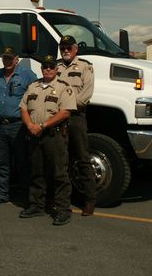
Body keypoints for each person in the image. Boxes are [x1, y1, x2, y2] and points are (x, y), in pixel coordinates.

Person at [19, 55, 76, 226]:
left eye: (51, 67)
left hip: (54, 136)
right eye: (45, 67)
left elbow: (65, 112)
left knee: (59, 174)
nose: (48, 69)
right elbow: (23, 108)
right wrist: (30, 125)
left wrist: (42, 125)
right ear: (42, 68)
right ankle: (36, 205)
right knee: (37, 172)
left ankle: (62, 210)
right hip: (35, 135)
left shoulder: (63, 88)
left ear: (57, 69)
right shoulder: (33, 86)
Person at [0, 46, 37, 205]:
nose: (7, 61)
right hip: (0, 126)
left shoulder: (27, 75)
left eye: (10, 58)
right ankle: (2, 194)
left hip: (19, 125)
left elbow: (35, 95)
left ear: (16, 59)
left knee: (22, 162)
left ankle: (25, 195)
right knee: (2, 162)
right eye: (5, 58)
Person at [56, 35, 98, 216]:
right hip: (57, 118)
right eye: (62, 47)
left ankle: (90, 200)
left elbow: (85, 95)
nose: (65, 50)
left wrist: (65, 106)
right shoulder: (55, 67)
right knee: (60, 160)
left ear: (75, 49)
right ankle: (61, 199)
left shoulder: (85, 67)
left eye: (68, 47)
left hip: (75, 117)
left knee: (82, 158)